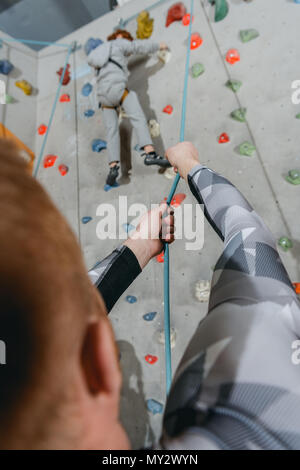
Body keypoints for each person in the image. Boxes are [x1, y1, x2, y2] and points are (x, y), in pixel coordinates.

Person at [0, 139, 300, 450]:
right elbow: (249, 237)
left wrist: (139, 247)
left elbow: (62, 318)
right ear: (99, 363)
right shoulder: (246, 425)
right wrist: (190, 165)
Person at [88, 29, 171, 187]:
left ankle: (113, 168)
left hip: (103, 97)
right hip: (117, 88)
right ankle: (149, 153)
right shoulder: (117, 43)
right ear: (119, 36)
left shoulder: (96, 56)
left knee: (112, 131)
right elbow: (137, 46)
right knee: (138, 117)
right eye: (125, 37)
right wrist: (158, 45)